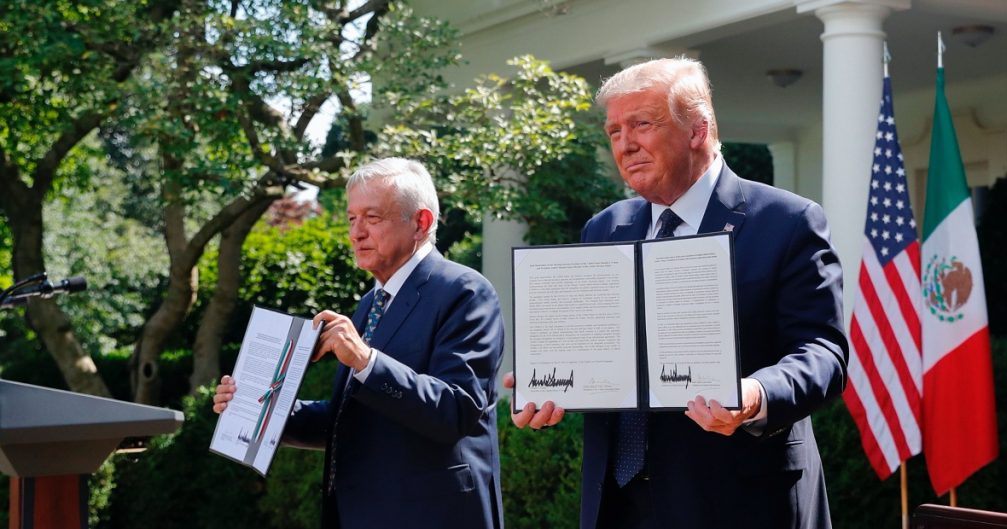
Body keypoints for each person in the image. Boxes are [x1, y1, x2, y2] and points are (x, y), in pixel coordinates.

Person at [506, 57, 849, 529]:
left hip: (739, 501)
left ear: (697, 129)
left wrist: (754, 394)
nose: (625, 145)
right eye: (614, 132)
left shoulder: (787, 222)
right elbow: (593, 349)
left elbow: (823, 353)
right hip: (618, 506)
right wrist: (546, 382)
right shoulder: (605, 228)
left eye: (641, 125)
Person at [213, 158, 505, 529]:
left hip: (431, 514)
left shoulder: (465, 292)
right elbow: (349, 420)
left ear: (422, 223)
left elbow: (456, 411)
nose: (356, 233)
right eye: (351, 219)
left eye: (373, 217)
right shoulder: (371, 302)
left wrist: (366, 361)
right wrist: (261, 410)